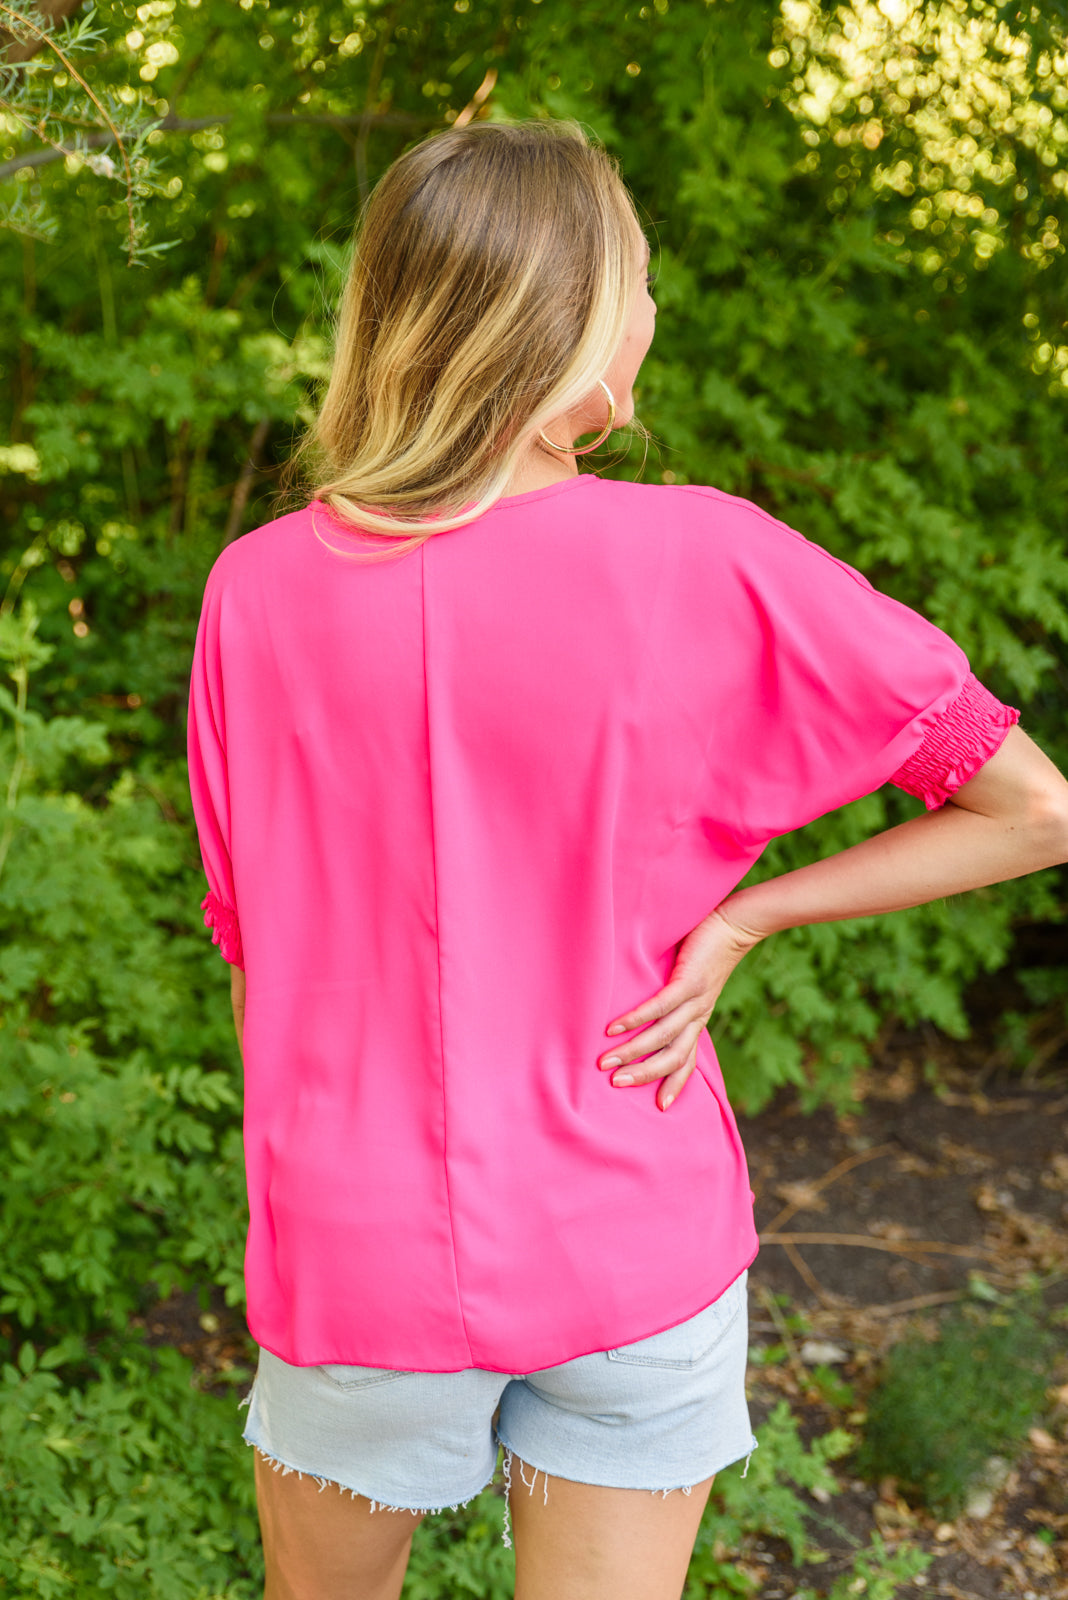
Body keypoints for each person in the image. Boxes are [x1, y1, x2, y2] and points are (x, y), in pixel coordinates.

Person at [186, 120, 1068, 1600]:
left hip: (353, 1244)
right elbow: (1036, 810)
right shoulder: (706, 557)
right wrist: (747, 922)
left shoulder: (256, 590)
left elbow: (255, 954)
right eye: (637, 281)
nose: (651, 311)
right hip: (629, 1217)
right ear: (574, 318)